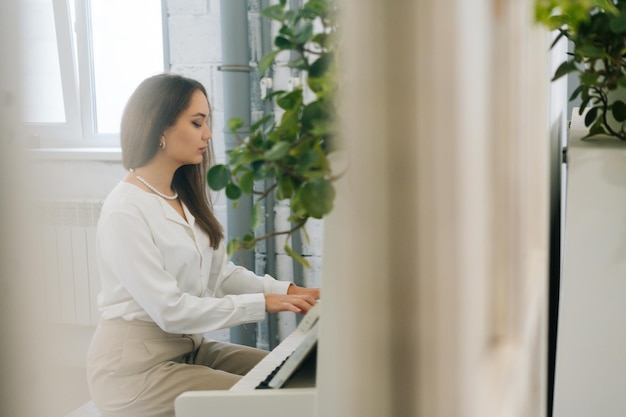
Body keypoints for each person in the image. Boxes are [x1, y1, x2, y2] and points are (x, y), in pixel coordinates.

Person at [86, 73, 320, 417]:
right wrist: (265, 303)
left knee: (298, 376)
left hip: (188, 347)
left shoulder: (180, 198)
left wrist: (291, 290)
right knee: (272, 403)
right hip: (135, 370)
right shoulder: (125, 210)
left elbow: (221, 275)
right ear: (160, 128)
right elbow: (170, 310)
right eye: (197, 123)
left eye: (206, 122)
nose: (208, 135)